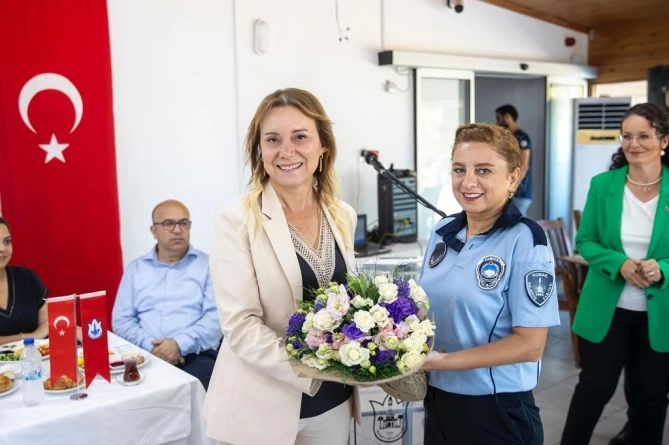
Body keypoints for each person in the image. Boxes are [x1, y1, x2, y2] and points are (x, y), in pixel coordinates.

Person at [202, 88, 361, 445]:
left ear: (323, 145)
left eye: (300, 137)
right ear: (260, 150)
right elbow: (241, 325)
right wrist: (318, 366)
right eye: (273, 139)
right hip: (258, 408)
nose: (286, 151)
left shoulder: (343, 215)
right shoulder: (236, 219)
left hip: (332, 405)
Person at [419, 123, 560, 445]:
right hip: (439, 398)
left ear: (512, 177)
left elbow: (530, 345)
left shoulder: (526, 240)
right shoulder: (442, 231)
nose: (468, 182)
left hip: (495, 408)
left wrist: (444, 362)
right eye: (459, 169)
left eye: (483, 170)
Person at [561, 103, 669, 445]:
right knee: (593, 390)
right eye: (627, 136)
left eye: (644, 136)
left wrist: (663, 268)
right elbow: (585, 240)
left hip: (659, 314)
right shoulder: (603, 184)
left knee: (652, 397)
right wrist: (619, 263)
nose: (634, 144)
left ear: (664, 140)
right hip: (607, 310)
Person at [112, 200, 221, 390]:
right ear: (153, 231)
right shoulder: (136, 269)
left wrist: (178, 345)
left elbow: (216, 319)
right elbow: (122, 320)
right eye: (168, 223)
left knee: (199, 388)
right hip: (143, 355)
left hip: (195, 357)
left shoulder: (208, 266)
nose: (177, 230)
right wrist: (153, 348)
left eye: (184, 223)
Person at [0, 217, 49, 345]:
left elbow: (46, 325)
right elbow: (38, 334)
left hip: (36, 355)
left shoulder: (27, 277)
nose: (2, 248)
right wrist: (26, 337)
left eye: (6, 241)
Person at [496, 104, 533, 216]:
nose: (497, 122)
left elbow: (524, 166)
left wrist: (511, 189)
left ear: (507, 117)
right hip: (512, 193)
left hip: (520, 193)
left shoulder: (521, 137)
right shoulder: (509, 137)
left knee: (517, 223)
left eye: (499, 118)